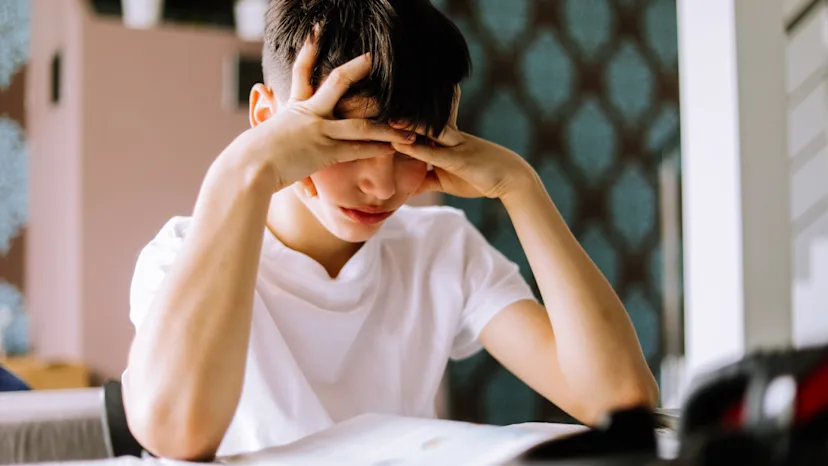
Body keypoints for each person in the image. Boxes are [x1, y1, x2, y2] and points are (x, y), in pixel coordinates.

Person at [122, 0, 658, 461]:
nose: (381, 186)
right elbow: (178, 434)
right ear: (267, 120)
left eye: (410, 147)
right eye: (347, 141)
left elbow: (621, 402)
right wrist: (242, 171)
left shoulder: (440, 249)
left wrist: (521, 187)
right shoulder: (179, 257)